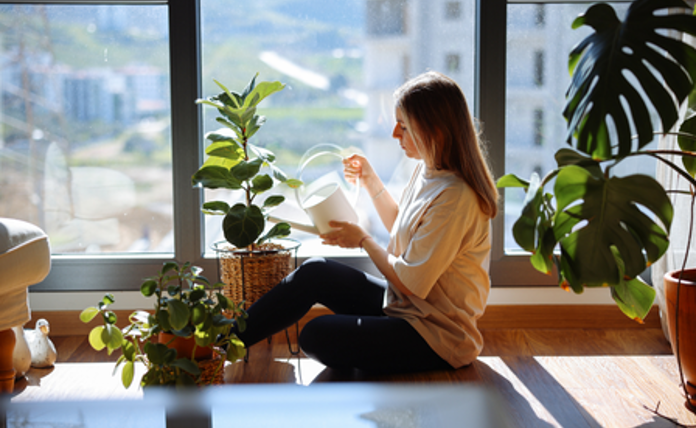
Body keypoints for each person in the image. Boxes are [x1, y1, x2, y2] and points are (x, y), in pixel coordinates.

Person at [234, 71, 499, 373]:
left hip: (437, 336)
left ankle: (219, 344)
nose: (395, 135)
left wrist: (362, 240)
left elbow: (411, 284)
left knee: (316, 335)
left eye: (404, 127)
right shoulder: (429, 170)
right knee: (314, 272)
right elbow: (408, 230)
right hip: (406, 310)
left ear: (435, 130)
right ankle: (221, 342)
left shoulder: (457, 197)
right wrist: (371, 181)